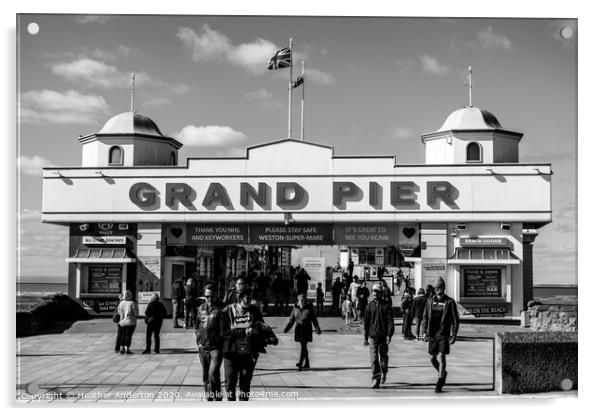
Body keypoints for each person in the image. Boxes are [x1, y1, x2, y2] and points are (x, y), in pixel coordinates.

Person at [222, 288, 265, 401]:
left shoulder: (255, 311)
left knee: (245, 383)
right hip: (231, 351)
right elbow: (224, 332)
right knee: (230, 382)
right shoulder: (228, 311)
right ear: (240, 298)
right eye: (246, 296)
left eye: (250, 296)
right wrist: (243, 332)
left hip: (248, 352)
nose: (249, 299)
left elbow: (260, 327)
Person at [422, 278, 460, 393]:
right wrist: (424, 331)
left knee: (442, 357)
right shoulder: (430, 301)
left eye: (440, 288)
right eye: (436, 288)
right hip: (432, 334)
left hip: (443, 333)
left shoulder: (449, 302)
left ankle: (439, 382)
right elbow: (425, 317)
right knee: (432, 358)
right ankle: (442, 372)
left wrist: (454, 334)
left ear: (444, 288)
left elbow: (455, 320)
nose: (438, 290)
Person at [195, 283, 225, 401]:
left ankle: (216, 395)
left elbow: (225, 328)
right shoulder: (201, 308)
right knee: (207, 375)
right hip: (203, 347)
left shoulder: (221, 308)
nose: (209, 299)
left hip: (216, 348)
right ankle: (212, 397)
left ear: (216, 295)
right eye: (207, 296)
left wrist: (222, 343)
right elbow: (197, 326)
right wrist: (198, 341)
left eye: (212, 296)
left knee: (212, 373)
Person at [363, 284, 394, 389]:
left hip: (383, 336)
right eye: (373, 291)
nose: (375, 293)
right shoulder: (369, 306)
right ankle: (376, 378)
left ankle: (384, 371)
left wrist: (389, 334)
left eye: (377, 291)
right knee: (374, 358)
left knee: (383, 358)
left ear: (381, 293)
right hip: (373, 336)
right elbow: (366, 323)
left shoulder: (386, 305)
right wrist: (365, 337)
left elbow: (390, 322)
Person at [284, 294, 322, 370]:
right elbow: (292, 319)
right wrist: (287, 328)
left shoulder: (309, 308)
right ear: (298, 300)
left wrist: (317, 329)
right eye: (301, 300)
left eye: (303, 300)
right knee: (303, 346)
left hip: (306, 329)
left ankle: (300, 363)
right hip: (299, 330)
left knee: (303, 346)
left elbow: (314, 319)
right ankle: (307, 363)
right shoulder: (295, 308)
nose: (302, 301)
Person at [117, 290, 137, 354]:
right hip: (130, 321)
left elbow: (119, 312)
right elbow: (136, 313)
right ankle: (127, 349)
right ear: (130, 295)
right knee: (128, 335)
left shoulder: (121, 303)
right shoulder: (132, 303)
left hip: (122, 321)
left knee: (123, 335)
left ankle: (121, 348)